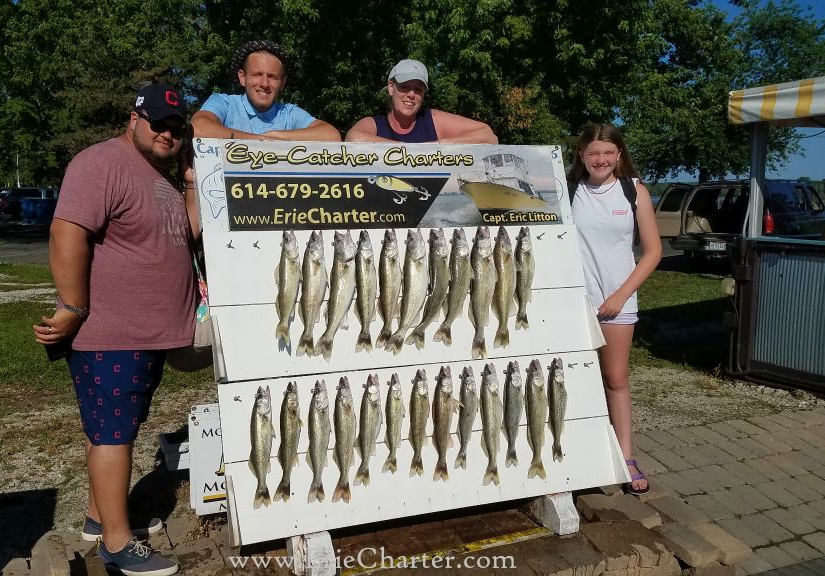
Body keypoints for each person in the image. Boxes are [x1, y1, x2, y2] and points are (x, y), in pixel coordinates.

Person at [33, 83, 199, 576]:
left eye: (177, 127)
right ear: (134, 119)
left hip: (146, 336)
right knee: (112, 435)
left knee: (111, 429)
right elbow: (67, 231)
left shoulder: (161, 176)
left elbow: (185, 234)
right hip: (111, 334)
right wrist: (72, 307)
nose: (168, 133)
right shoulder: (101, 162)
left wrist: (190, 181)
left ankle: (97, 516)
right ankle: (118, 544)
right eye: (159, 124)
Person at [568, 123, 662, 496]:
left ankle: (626, 456)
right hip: (576, 302)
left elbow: (653, 252)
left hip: (618, 303)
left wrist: (621, 296)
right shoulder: (568, 191)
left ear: (619, 155)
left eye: (608, 152)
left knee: (616, 379)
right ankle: (578, 454)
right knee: (574, 380)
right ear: (581, 156)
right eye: (593, 153)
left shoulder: (634, 191)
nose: (601, 159)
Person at [191, 40, 340, 141]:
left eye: (272, 76)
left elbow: (331, 135)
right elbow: (198, 128)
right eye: (257, 74)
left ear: (283, 83)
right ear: (242, 78)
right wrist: (260, 141)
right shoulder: (224, 103)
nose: (264, 83)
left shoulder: (289, 113)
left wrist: (277, 136)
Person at [345, 58, 497, 144]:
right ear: (391, 87)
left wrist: (438, 146)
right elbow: (353, 138)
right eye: (405, 87)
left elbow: (489, 136)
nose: (411, 94)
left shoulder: (432, 120)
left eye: (418, 89)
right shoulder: (375, 125)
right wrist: (411, 152)